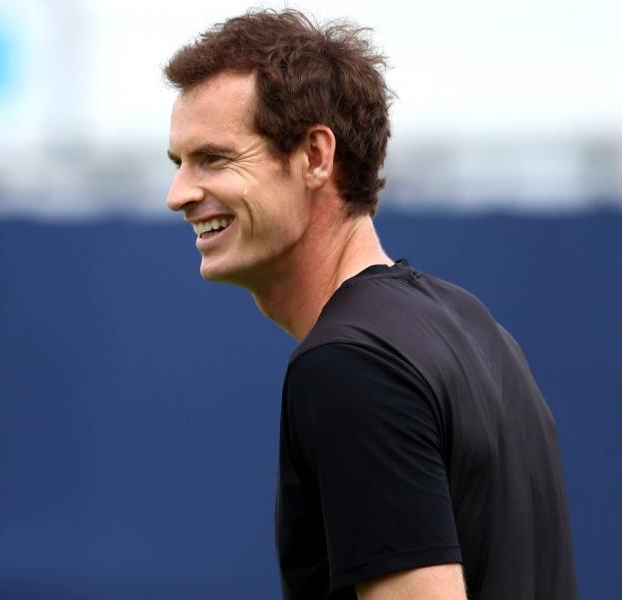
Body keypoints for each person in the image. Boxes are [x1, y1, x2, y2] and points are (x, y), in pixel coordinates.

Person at [164, 9, 577, 600]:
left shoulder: (350, 366)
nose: (178, 194)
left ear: (314, 155)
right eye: (178, 163)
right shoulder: (478, 331)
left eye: (215, 158)